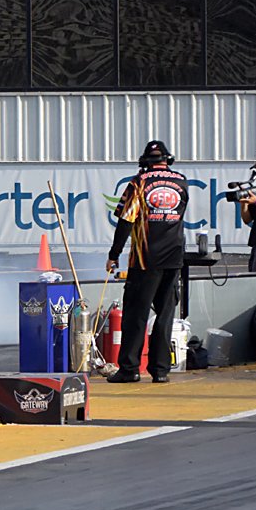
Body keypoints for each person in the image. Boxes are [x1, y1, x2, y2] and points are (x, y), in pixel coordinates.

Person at [105, 140, 189, 384]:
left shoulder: (138, 182)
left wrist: (114, 254)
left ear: (144, 161)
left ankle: (129, 369)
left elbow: (125, 221)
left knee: (135, 314)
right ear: (168, 159)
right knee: (165, 315)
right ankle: (161, 370)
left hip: (144, 258)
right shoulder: (181, 182)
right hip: (174, 257)